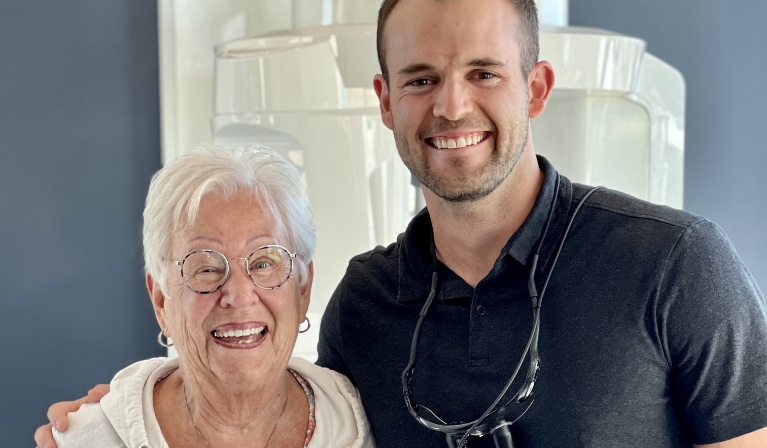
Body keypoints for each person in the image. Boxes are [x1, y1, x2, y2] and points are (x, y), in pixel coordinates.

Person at [36, 0, 767, 447]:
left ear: (536, 88)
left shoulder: (674, 264)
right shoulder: (364, 304)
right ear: (385, 101)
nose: (450, 108)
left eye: (483, 72)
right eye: (420, 79)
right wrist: (123, 414)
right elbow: (267, 403)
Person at [46, 146, 373, 447]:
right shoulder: (88, 439)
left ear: (303, 289)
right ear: (161, 300)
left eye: (263, 263)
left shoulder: (359, 419)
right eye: (204, 267)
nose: (240, 295)